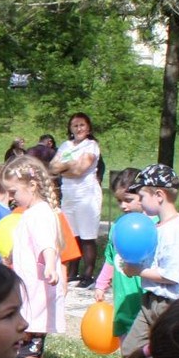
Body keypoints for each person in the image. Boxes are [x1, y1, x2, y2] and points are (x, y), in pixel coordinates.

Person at [1, 155, 65, 358]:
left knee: (29, 350)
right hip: (30, 292)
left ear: (32, 185)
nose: (11, 198)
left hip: (38, 294)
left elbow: (46, 245)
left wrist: (50, 265)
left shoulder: (40, 214)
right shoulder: (33, 213)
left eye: (14, 191)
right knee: (31, 350)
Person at [118, 164, 179, 358]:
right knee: (131, 351)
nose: (141, 202)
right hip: (150, 302)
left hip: (170, 306)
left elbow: (170, 275)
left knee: (173, 357)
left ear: (159, 196)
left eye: (143, 197)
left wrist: (137, 270)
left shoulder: (174, 232)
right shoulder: (159, 227)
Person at [97, 168, 145, 358]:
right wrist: (101, 284)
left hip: (143, 304)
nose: (124, 206)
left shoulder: (149, 229)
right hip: (124, 304)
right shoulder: (119, 229)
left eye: (129, 200)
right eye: (119, 201)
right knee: (129, 357)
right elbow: (109, 259)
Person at [51, 113, 103, 286]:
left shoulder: (91, 146)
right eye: (75, 125)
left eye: (82, 125)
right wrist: (70, 165)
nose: (79, 129)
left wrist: (64, 167)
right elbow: (52, 167)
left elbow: (80, 169)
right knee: (71, 235)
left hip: (86, 195)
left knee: (87, 236)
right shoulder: (66, 145)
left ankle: (87, 274)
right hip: (69, 195)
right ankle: (72, 271)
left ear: (88, 127)